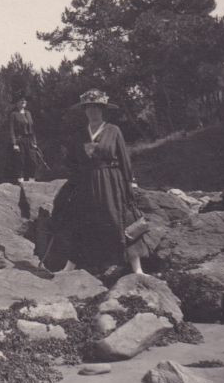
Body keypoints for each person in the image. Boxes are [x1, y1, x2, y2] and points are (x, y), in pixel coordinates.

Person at [48, 90, 156, 277]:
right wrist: (76, 179)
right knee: (81, 221)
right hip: (87, 182)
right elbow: (71, 161)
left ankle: (137, 268)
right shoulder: (80, 135)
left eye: (96, 107)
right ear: (84, 111)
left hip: (111, 181)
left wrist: (130, 182)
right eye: (88, 108)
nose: (92, 111)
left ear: (102, 109)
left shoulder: (113, 131)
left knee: (121, 219)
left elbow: (124, 158)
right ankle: (69, 267)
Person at [8, 96, 48, 181]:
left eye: (24, 100)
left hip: (29, 139)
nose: (23, 101)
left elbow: (32, 128)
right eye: (21, 100)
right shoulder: (13, 114)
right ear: (16, 103)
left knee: (33, 159)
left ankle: (31, 177)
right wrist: (14, 144)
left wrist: (35, 142)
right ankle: (20, 178)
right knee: (20, 160)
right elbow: (11, 130)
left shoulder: (28, 113)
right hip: (20, 139)